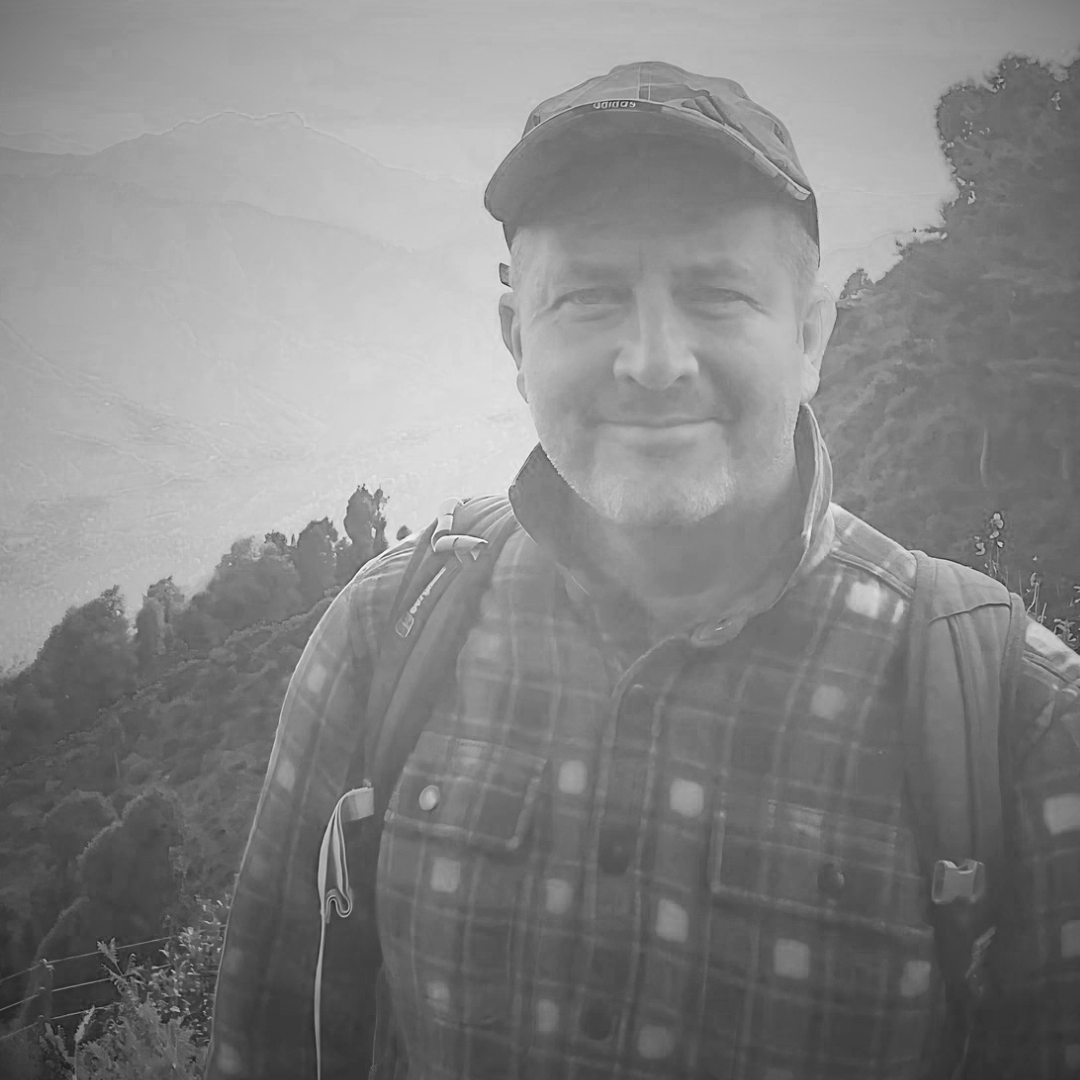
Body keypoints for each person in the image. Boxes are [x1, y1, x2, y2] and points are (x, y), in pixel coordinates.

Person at [204, 61, 1080, 1080]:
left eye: (718, 294)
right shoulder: (384, 633)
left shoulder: (1020, 721)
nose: (655, 361)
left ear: (810, 335)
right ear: (516, 339)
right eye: (589, 297)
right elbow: (267, 1037)